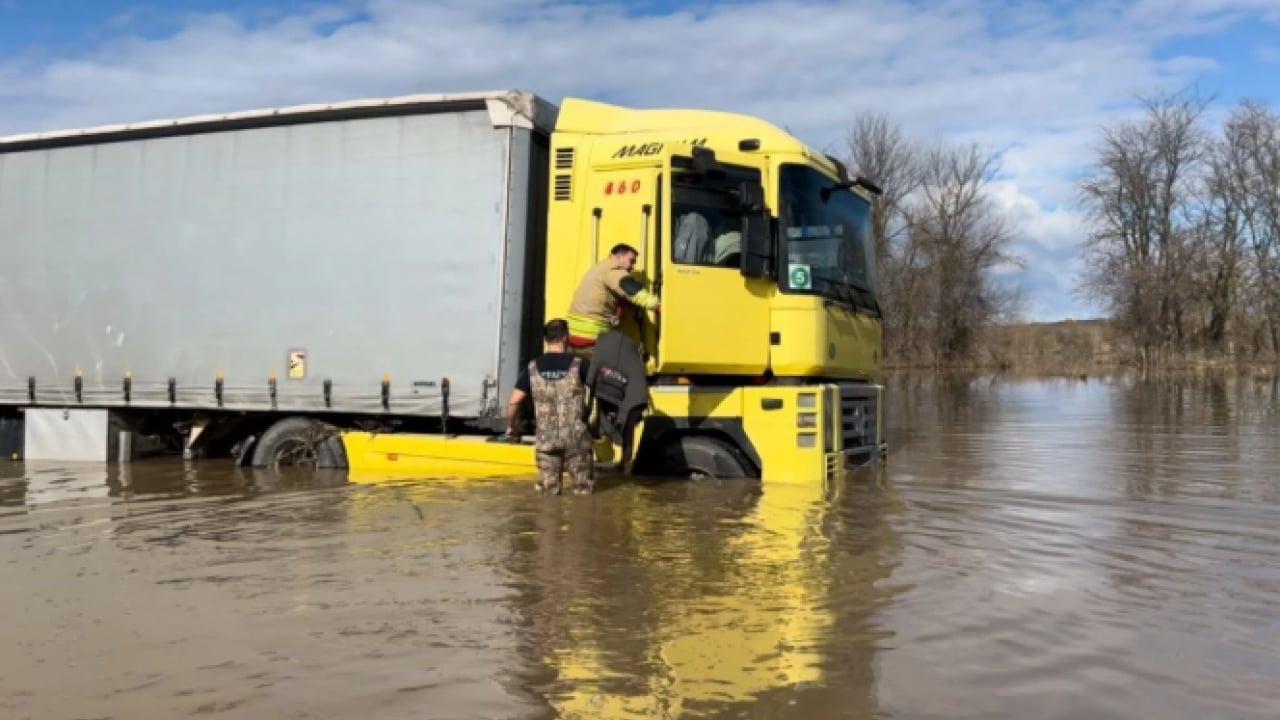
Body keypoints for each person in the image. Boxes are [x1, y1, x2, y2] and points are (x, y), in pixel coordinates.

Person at [505, 318, 595, 495]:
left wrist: (512, 427)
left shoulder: (532, 368)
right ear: (565, 338)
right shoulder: (580, 365)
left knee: (547, 497)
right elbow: (600, 391)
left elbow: (514, 401)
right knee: (583, 495)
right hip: (576, 441)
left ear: (546, 340)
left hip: (546, 442)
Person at [565, 243, 660, 357]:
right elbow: (631, 290)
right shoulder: (614, 270)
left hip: (572, 332)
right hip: (592, 335)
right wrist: (657, 305)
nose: (632, 266)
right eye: (631, 261)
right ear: (619, 257)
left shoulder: (599, 267)